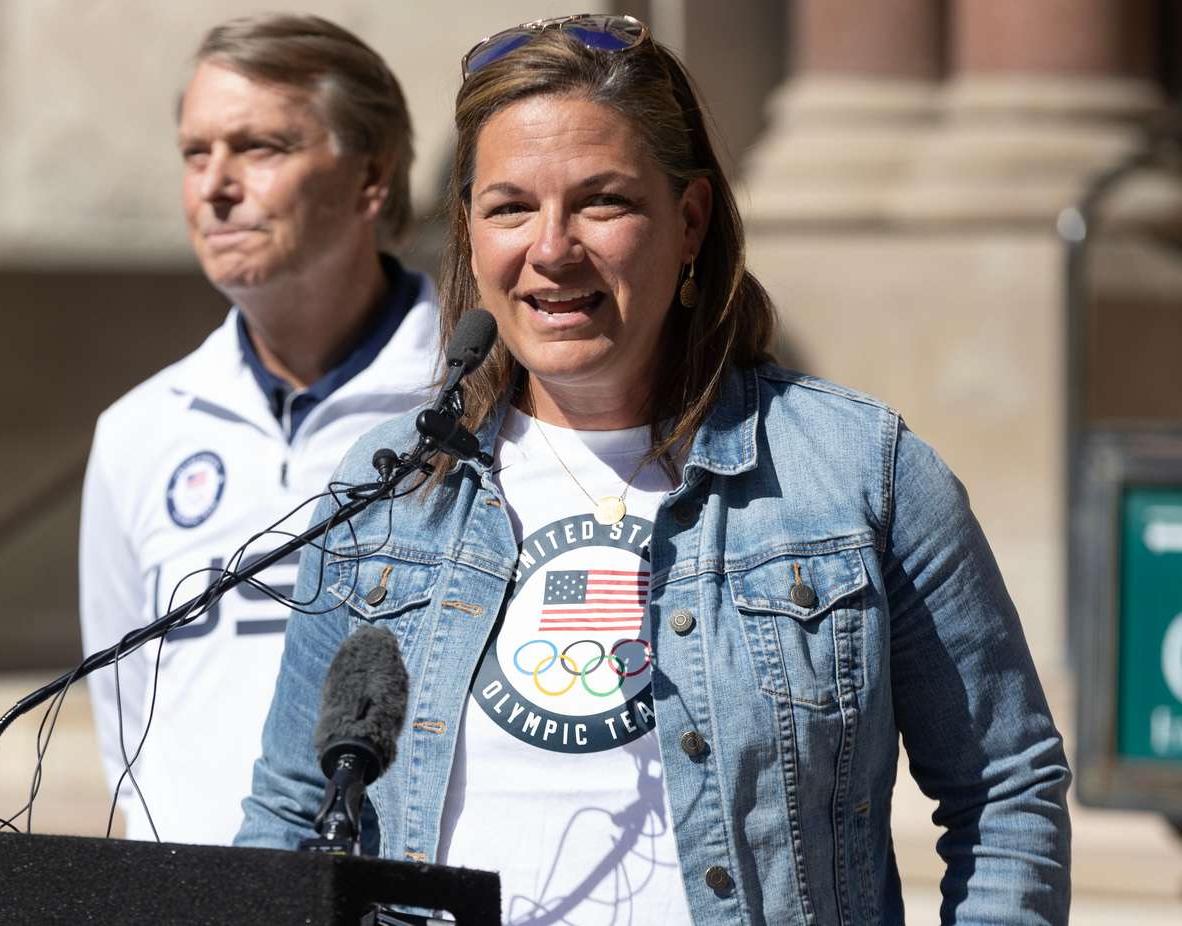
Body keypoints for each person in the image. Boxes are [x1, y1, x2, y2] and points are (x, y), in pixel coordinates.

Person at [235, 13, 1071, 924]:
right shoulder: (396, 485)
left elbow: (1005, 792)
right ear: (470, 232)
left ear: (692, 222)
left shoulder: (859, 473)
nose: (551, 248)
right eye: (511, 206)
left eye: (603, 201)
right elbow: (292, 816)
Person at [78, 13, 439, 845]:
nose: (215, 185)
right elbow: (127, 733)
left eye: (260, 148)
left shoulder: (487, 408)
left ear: (371, 177)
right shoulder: (138, 430)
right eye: (195, 153)